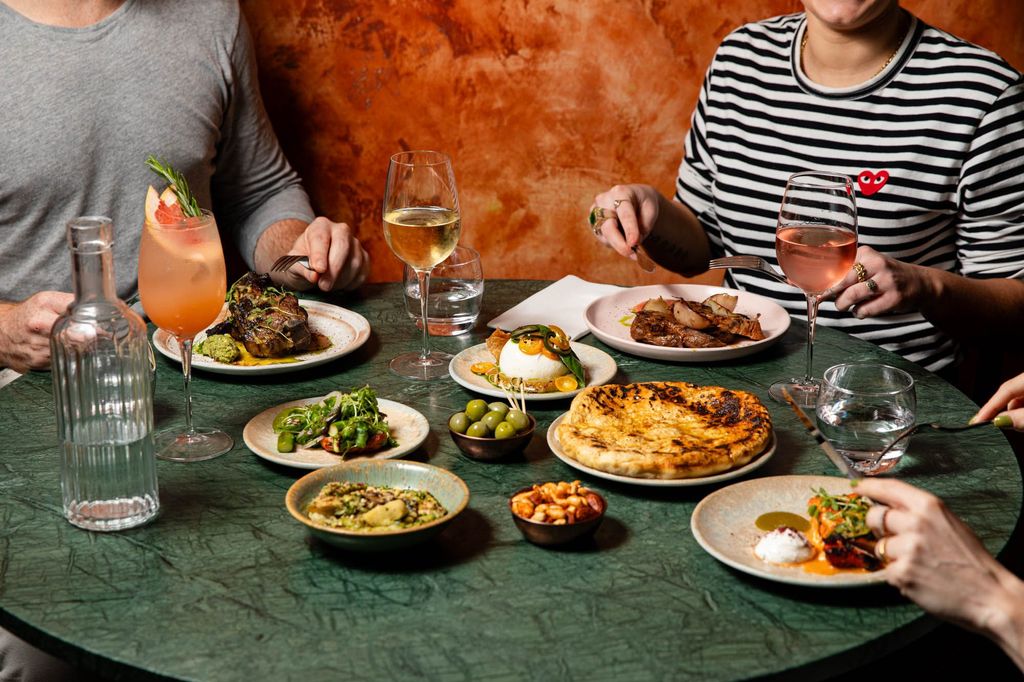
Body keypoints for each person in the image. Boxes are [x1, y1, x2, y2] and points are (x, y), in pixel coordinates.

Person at [591, 0, 1024, 373]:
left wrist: (927, 287)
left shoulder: (983, 93)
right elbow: (702, 255)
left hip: (886, 399)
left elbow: (1015, 306)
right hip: (739, 375)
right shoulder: (739, 61)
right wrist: (651, 211)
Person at [0, 0, 370, 375]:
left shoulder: (211, 13)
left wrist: (301, 254)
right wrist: (4, 332)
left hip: (192, 356)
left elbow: (258, 193)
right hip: (35, 381)